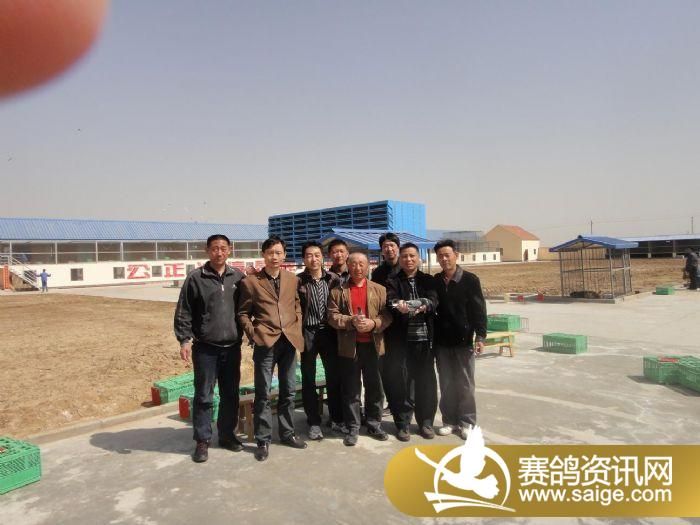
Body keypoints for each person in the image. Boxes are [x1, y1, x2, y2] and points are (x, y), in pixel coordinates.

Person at [174, 234, 245, 463]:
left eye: (223, 248)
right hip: (206, 349)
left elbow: (247, 309)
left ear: (229, 250)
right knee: (204, 395)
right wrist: (185, 340)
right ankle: (202, 440)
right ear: (207, 250)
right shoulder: (196, 278)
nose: (219, 252)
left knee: (230, 394)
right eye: (214, 248)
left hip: (232, 348)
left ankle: (226, 435)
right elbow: (184, 311)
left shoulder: (238, 277)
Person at [238, 235, 306, 461]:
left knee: (288, 390)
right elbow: (243, 313)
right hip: (265, 343)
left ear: (284, 255)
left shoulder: (292, 279)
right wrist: (254, 333)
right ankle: (263, 440)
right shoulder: (251, 282)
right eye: (270, 253)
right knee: (263, 393)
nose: (274, 257)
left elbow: (296, 304)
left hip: (289, 341)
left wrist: (296, 324)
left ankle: (287, 433)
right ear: (263, 255)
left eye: (278, 252)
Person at [327, 252, 393, 446]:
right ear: (348, 266)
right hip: (350, 347)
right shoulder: (337, 291)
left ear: (368, 266)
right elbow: (332, 316)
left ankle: (374, 424)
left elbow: (387, 315)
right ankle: (353, 427)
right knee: (351, 389)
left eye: (362, 264)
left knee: (375, 387)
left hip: (373, 346)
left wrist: (374, 323)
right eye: (354, 264)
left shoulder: (379, 289)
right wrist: (351, 321)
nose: (358, 267)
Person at [432, 239, 487, 439]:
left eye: (447, 255)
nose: (444, 259)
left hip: (464, 342)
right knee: (446, 383)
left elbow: (479, 309)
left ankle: (467, 423)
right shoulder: (436, 281)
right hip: (442, 342)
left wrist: (480, 336)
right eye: (440, 256)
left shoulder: (470, 280)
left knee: (465, 384)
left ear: (456, 255)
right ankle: (449, 421)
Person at [385, 243, 439, 441]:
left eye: (412, 256)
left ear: (419, 258)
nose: (408, 259)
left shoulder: (428, 280)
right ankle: (403, 424)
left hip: (425, 341)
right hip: (402, 342)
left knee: (426, 382)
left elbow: (433, 300)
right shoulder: (392, 281)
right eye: (405, 256)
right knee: (402, 383)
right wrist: (399, 304)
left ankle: (426, 422)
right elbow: (390, 301)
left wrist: (424, 304)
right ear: (400, 259)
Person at [297, 240, 344, 440]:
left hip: (329, 332)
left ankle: (336, 418)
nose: (313, 259)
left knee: (334, 376)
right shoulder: (298, 281)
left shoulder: (333, 279)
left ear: (322, 257)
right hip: (307, 332)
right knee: (308, 378)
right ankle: (314, 421)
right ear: (303, 259)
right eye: (309, 255)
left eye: (317, 255)